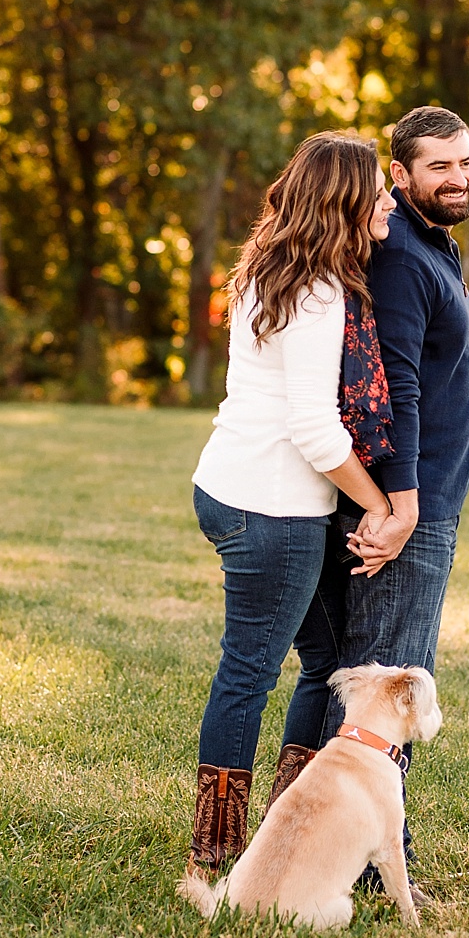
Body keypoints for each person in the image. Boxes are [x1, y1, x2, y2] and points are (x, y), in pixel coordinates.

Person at [273, 105, 469, 901]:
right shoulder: (398, 256)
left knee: (373, 681)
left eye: (464, 161)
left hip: (423, 502)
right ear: (399, 174)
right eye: (438, 166)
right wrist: (401, 504)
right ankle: (360, 870)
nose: (458, 177)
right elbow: (388, 386)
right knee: (386, 690)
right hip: (407, 507)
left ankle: (321, 852)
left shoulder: (430, 245)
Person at [183, 131, 400, 874]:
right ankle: (215, 857)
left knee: (325, 659)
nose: (389, 200)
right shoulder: (318, 293)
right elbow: (314, 426)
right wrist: (377, 504)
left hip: (231, 487)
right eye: (377, 188)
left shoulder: (271, 268)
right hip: (271, 507)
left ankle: (286, 829)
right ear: (345, 200)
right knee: (251, 669)